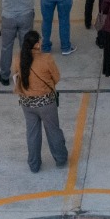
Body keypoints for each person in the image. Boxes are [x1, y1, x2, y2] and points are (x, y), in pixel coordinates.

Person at [13, 29, 69, 173]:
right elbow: (56, 78)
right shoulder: (46, 59)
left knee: (32, 133)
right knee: (53, 131)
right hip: (46, 103)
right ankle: (61, 158)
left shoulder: (18, 58)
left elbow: (16, 77)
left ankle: (34, 164)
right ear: (37, 45)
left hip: (26, 103)